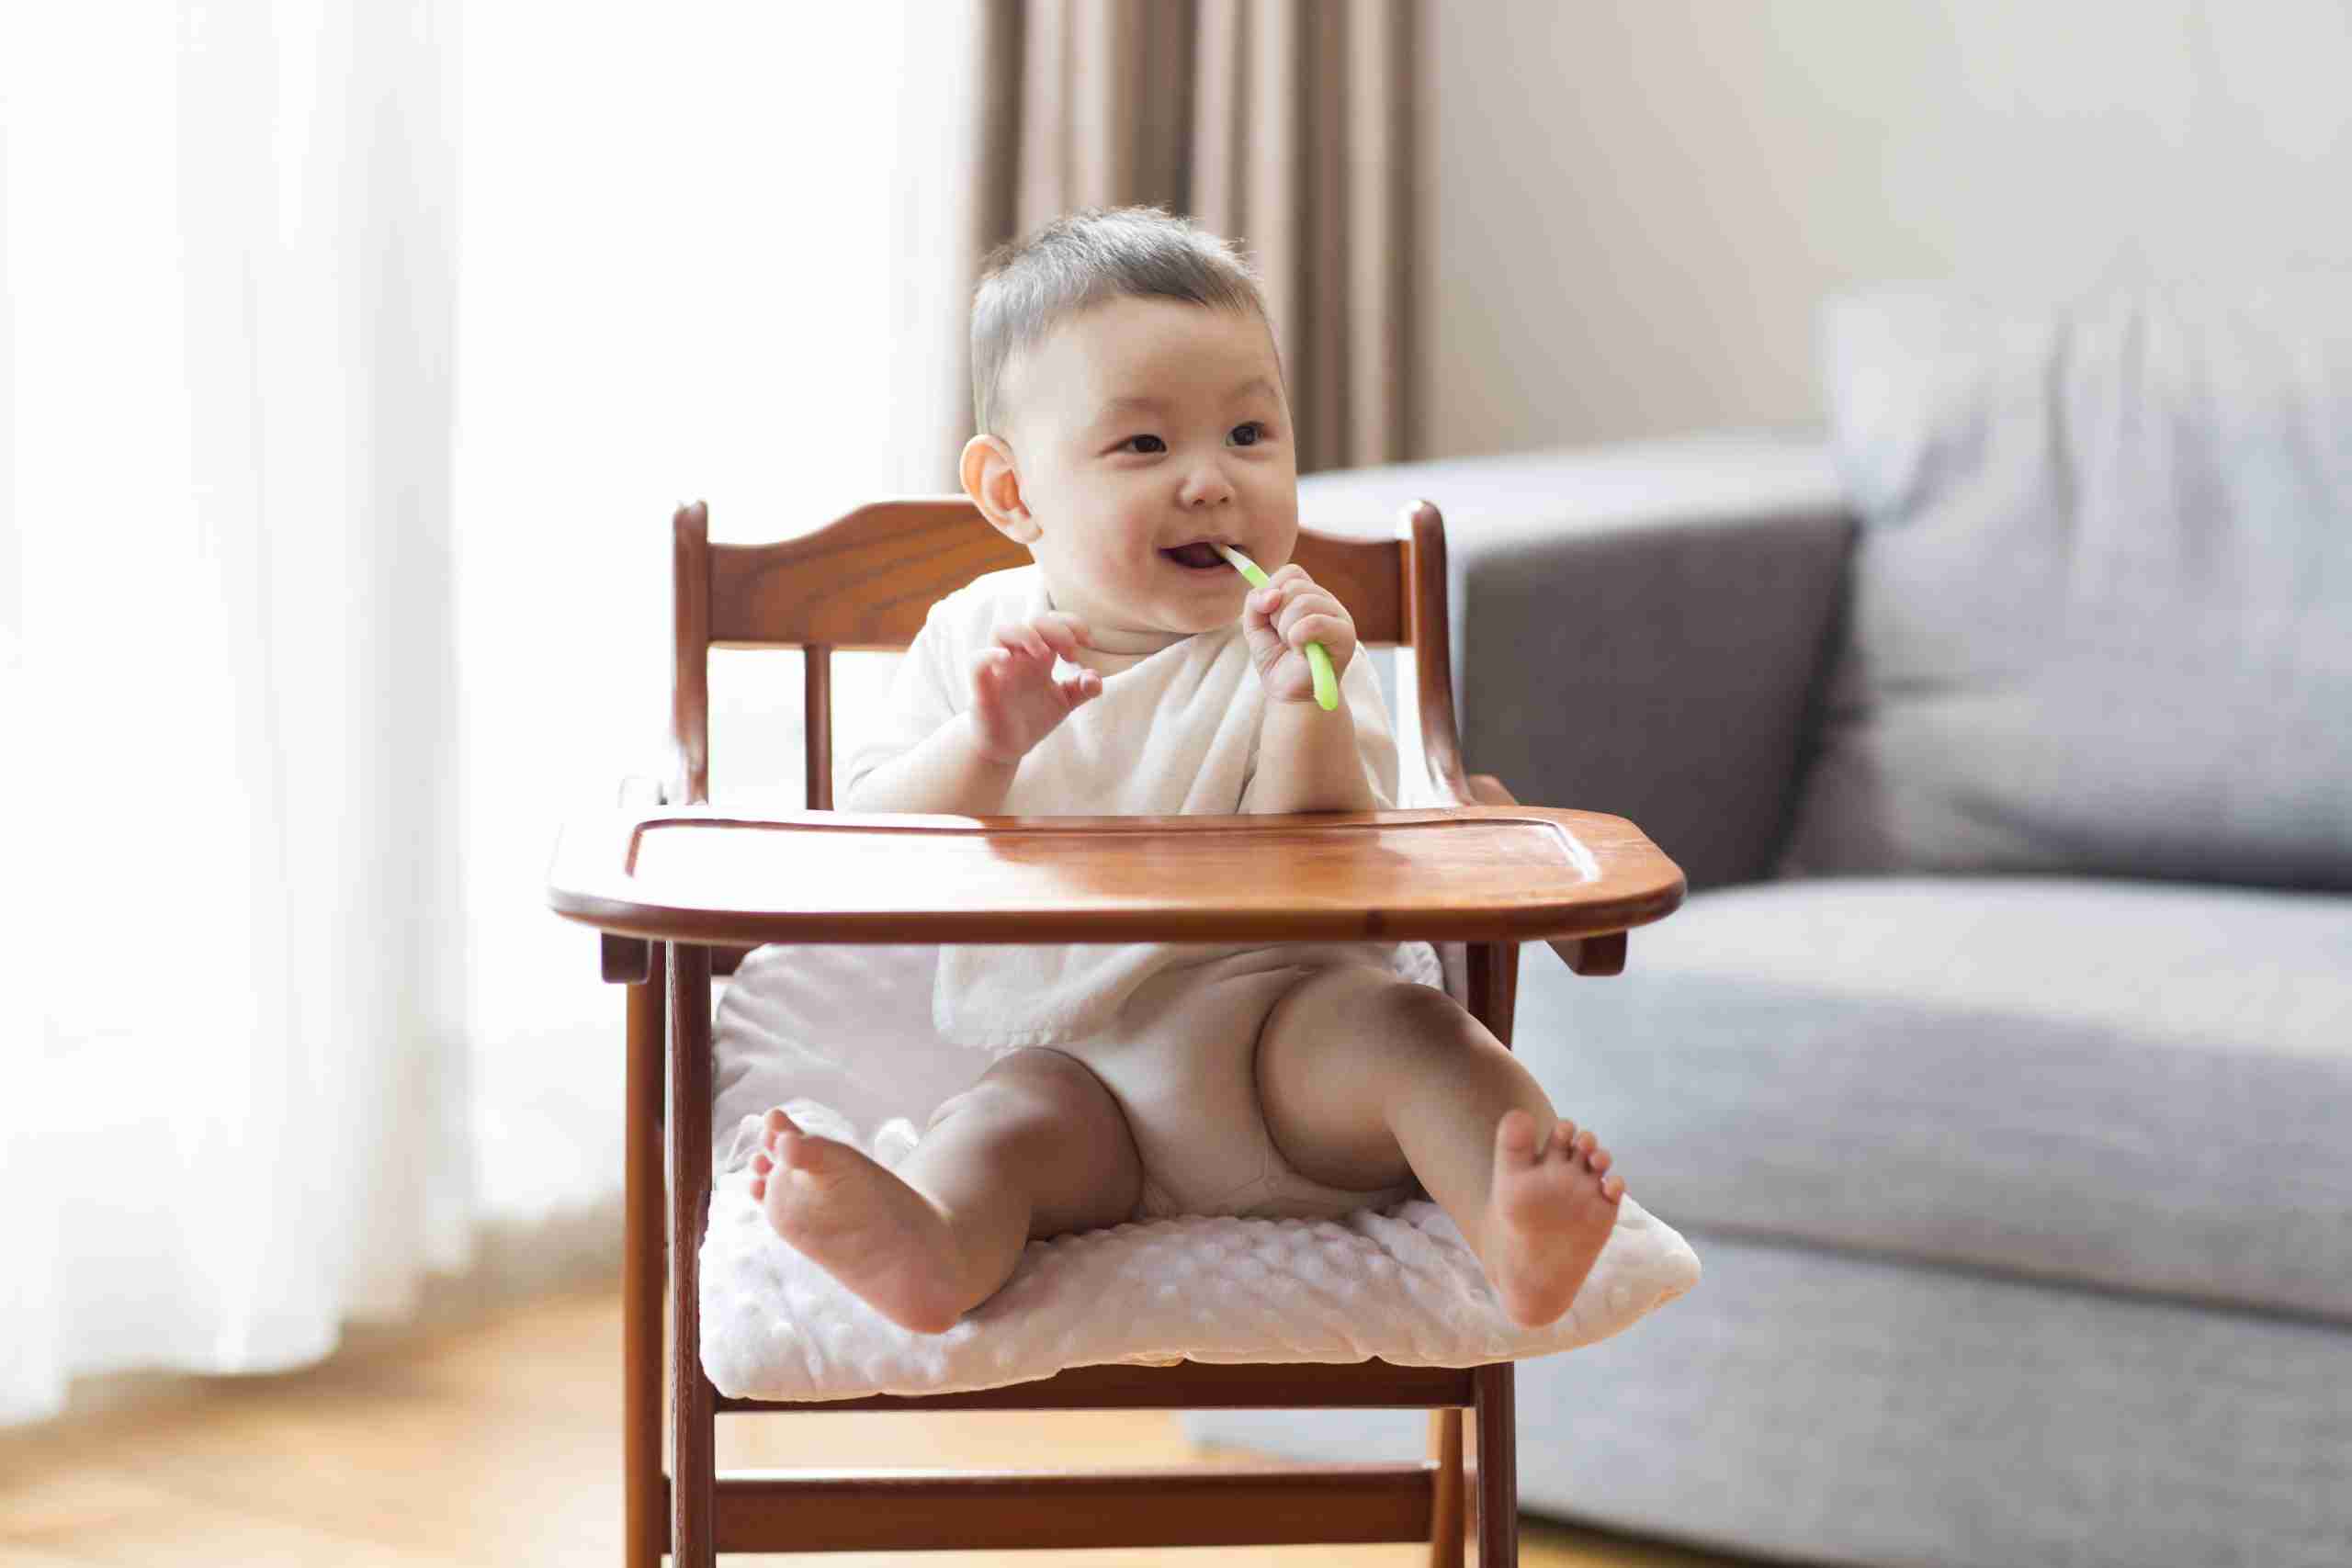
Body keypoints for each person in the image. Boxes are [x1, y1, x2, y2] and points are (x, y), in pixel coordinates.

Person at [750, 206, 1624, 1335]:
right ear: (1013, 493)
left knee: (1421, 1037)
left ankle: (1516, 1221)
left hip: (1292, 1041)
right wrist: (989, 744)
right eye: (1145, 446)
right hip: (1081, 1066)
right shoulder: (974, 643)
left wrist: (1298, 694)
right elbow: (870, 843)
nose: (1212, 482)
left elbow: (1328, 842)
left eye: (1250, 435)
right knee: (994, 1133)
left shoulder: (1296, 637)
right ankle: (930, 1243)